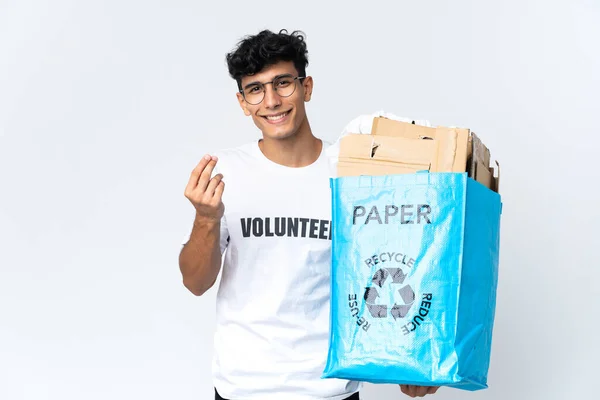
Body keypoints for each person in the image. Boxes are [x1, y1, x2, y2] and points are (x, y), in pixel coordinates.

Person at [179, 29, 440, 400]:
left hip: (329, 388)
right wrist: (205, 219)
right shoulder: (226, 173)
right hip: (243, 388)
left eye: (283, 83)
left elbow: (391, 267)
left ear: (307, 87)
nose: (271, 101)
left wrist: (412, 360)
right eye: (256, 89)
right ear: (243, 102)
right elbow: (195, 282)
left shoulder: (351, 173)